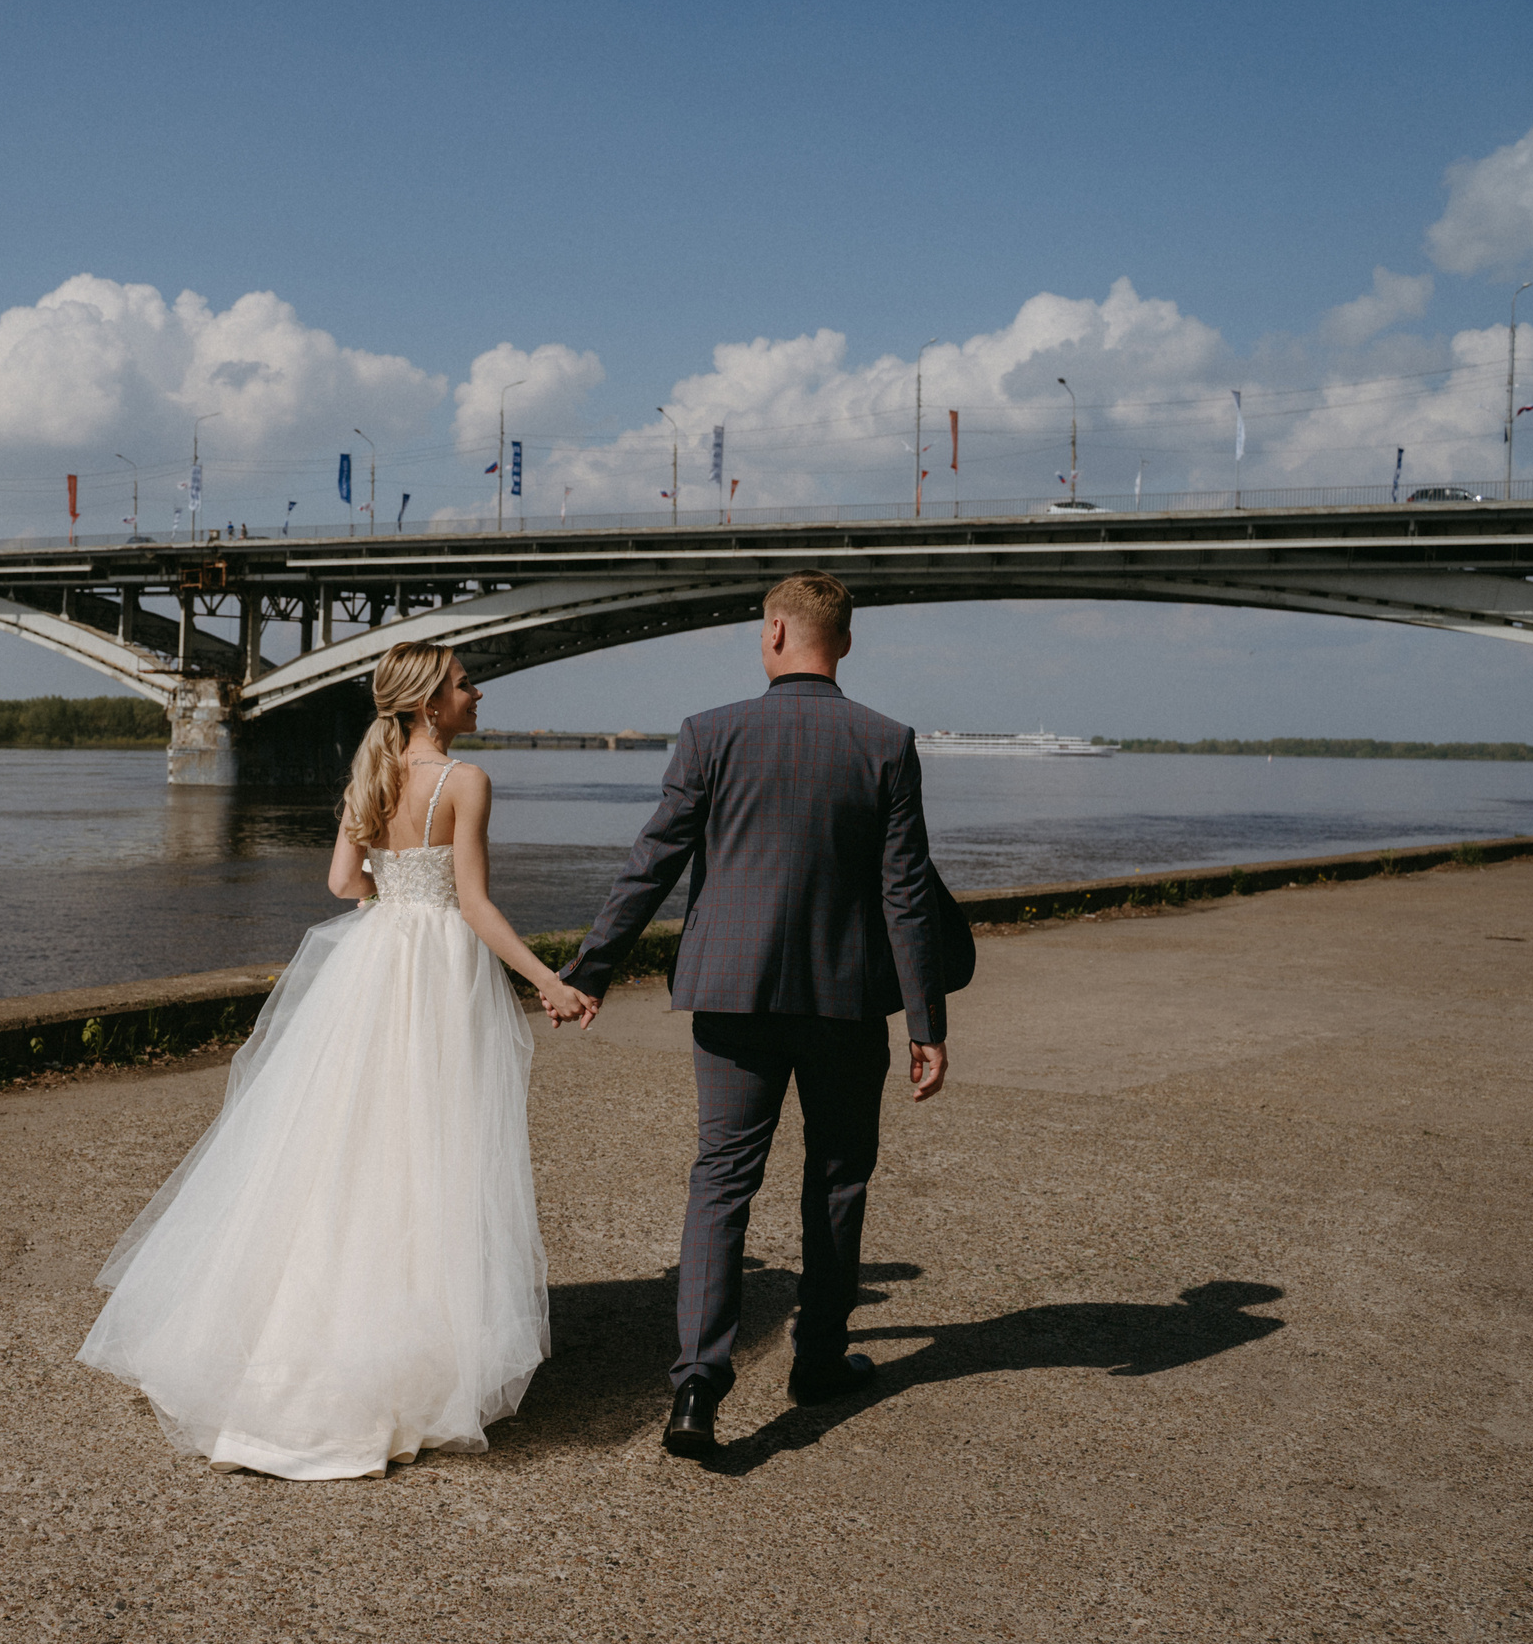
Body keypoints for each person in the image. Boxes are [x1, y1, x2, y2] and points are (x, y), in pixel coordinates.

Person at [79, 641, 596, 1480]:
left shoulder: (372, 776)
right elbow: (473, 903)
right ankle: (409, 1345)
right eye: (465, 683)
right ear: (429, 703)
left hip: (376, 961)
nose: (477, 692)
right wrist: (547, 980)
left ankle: (297, 1345)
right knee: (427, 1150)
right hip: (436, 973)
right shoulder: (464, 782)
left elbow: (342, 885)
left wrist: (398, 897)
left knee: (345, 1147)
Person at [552, 571, 949, 1458]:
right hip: (845, 998)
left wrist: (592, 968)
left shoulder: (711, 732)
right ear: (844, 642)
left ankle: (697, 1385)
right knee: (837, 1177)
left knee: (722, 1179)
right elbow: (906, 895)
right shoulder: (887, 742)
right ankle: (818, 1359)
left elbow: (652, 862)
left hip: (730, 990)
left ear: (774, 633)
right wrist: (927, 1021)